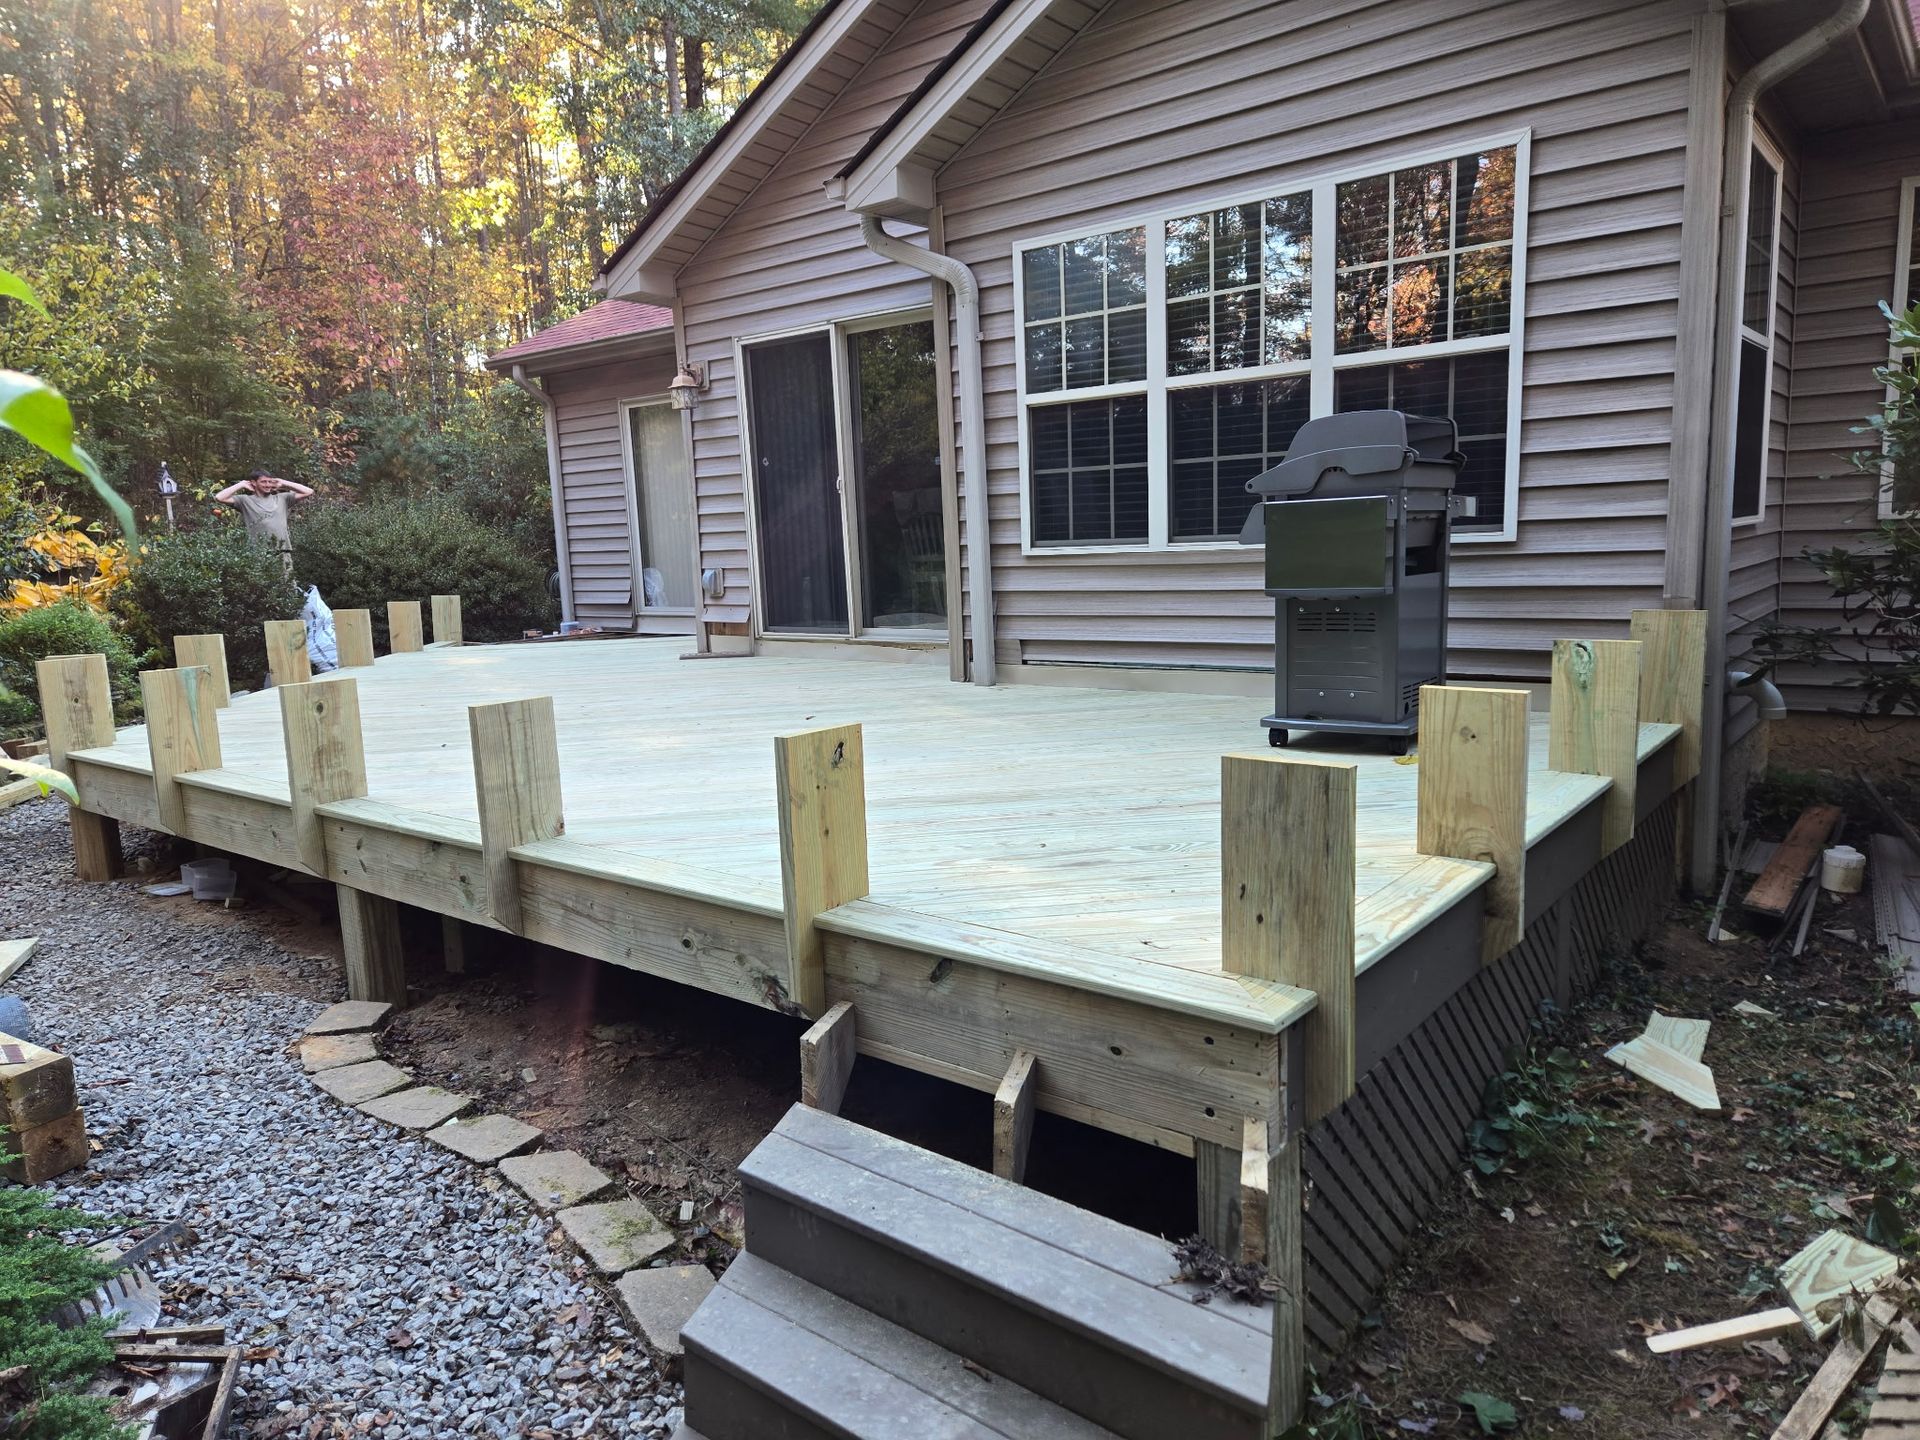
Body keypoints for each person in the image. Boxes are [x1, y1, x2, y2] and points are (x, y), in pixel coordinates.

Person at [214, 470, 313, 574]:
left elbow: (309, 491)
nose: (267, 485)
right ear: (253, 482)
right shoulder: (244, 500)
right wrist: (241, 484)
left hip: (282, 551)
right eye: (263, 482)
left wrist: (283, 483)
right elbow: (219, 497)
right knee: (261, 583)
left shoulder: (283, 498)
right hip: (258, 553)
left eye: (269, 481)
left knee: (286, 583)